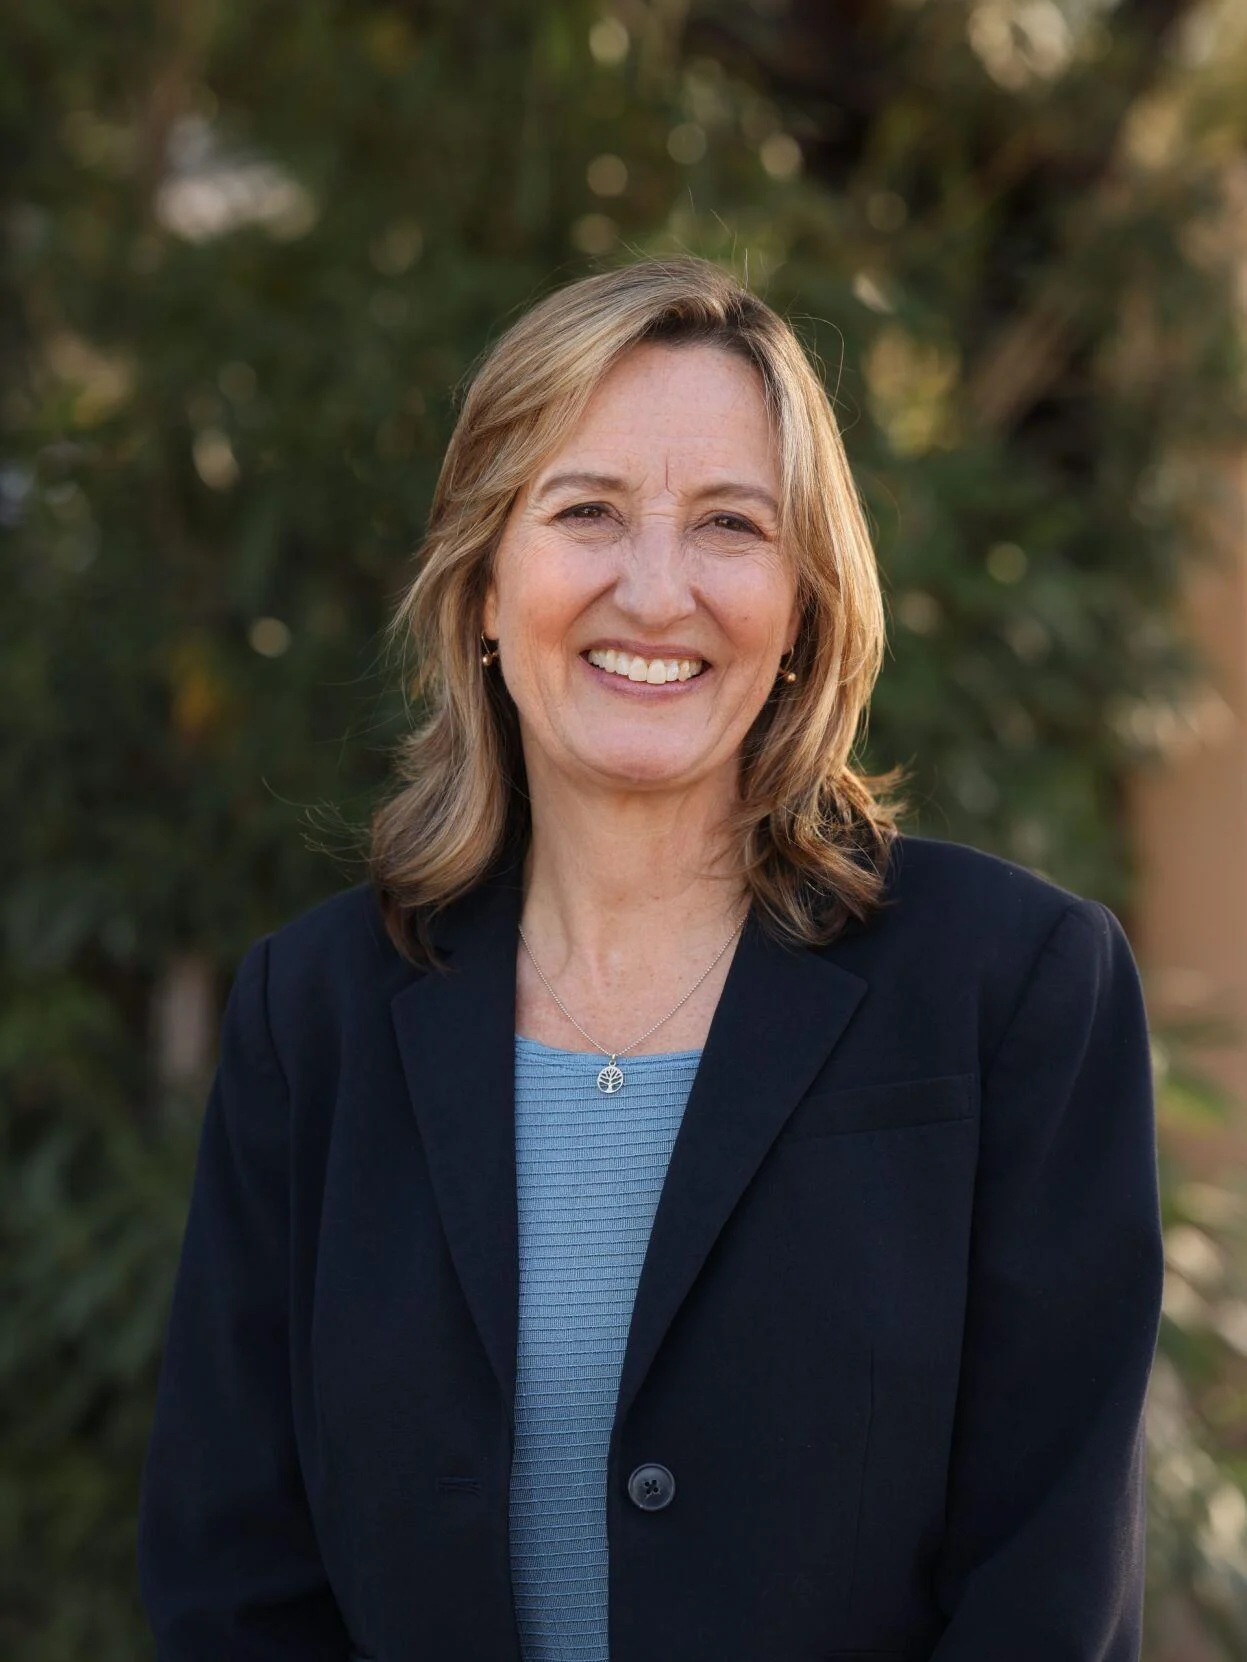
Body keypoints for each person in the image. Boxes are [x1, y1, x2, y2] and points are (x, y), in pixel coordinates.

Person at [137, 257, 1163, 1662]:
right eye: (588, 513)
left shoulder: (1019, 989)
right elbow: (232, 1582)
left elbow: (1048, 1586)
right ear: (485, 589)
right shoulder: (311, 1017)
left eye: (731, 524)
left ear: (803, 602)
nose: (657, 587)